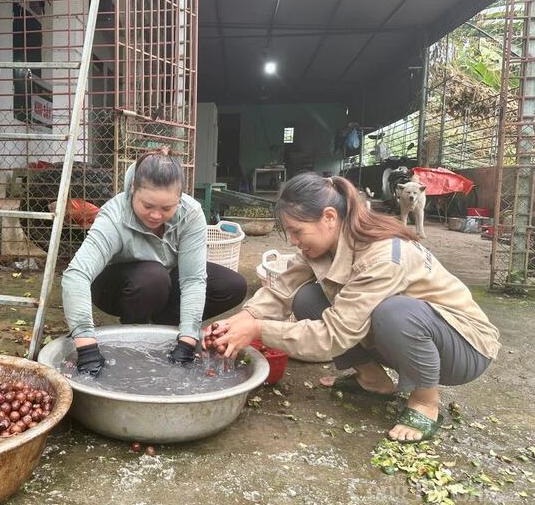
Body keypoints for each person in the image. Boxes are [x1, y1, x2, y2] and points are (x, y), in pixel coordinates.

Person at [205, 173, 500, 443]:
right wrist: (241, 320)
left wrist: (258, 330)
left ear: (329, 217)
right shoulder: (327, 244)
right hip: (413, 337)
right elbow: (282, 289)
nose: (294, 241)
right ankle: (374, 381)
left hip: (463, 346)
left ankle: (425, 400)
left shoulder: (383, 255)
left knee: (394, 312)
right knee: (308, 298)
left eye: (297, 231)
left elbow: (334, 334)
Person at [61, 148, 248, 376]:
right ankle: (134, 333)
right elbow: (76, 274)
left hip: (163, 280)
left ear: (179, 199)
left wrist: (188, 339)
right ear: (133, 191)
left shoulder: (191, 214)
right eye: (147, 206)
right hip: (117, 287)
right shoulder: (114, 215)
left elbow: (192, 279)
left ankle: (163, 329)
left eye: (167, 208)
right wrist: (86, 344)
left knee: (232, 285)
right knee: (153, 277)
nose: (156, 216)